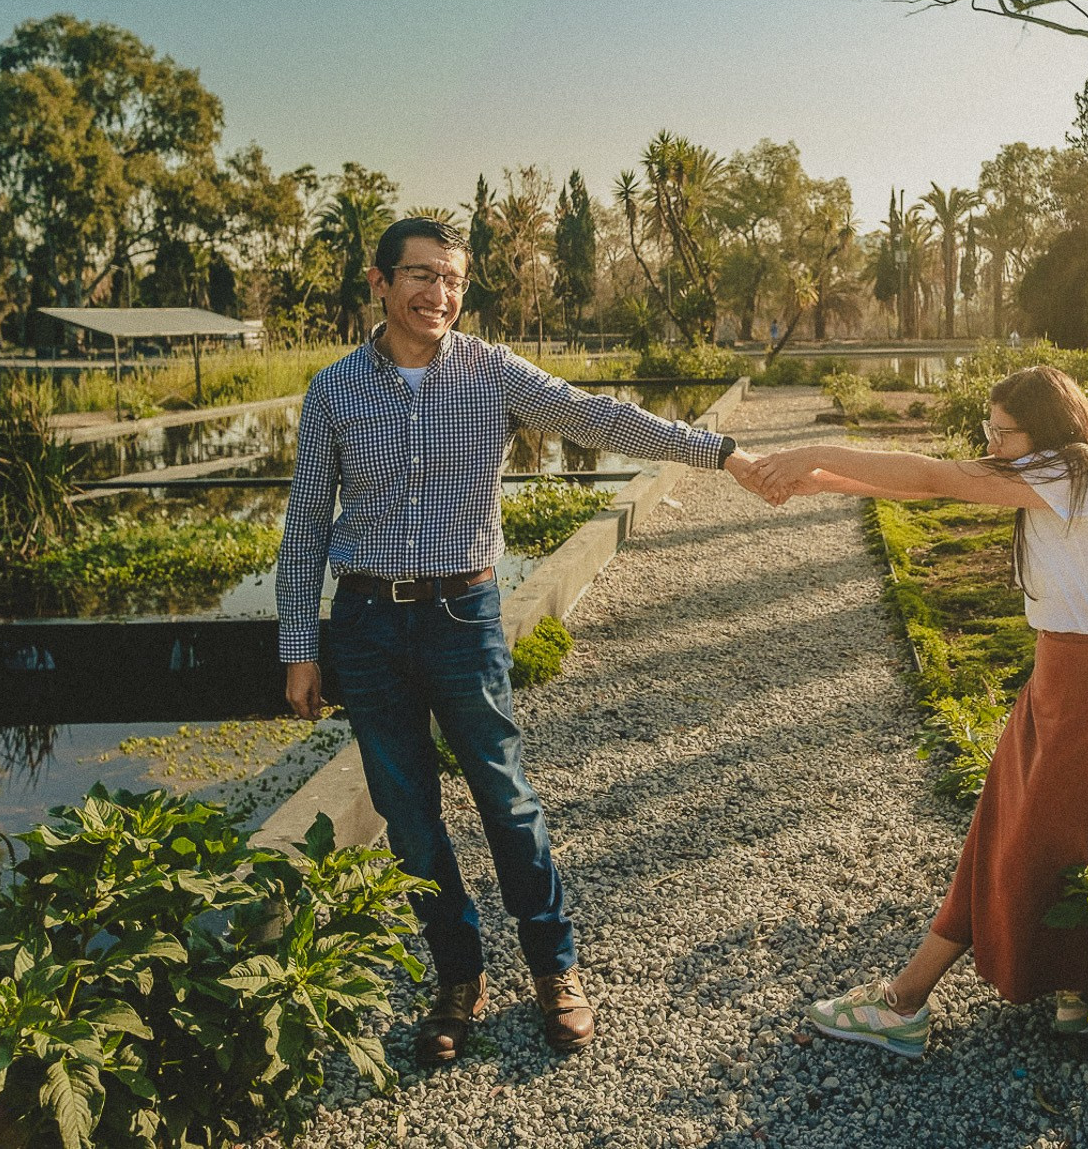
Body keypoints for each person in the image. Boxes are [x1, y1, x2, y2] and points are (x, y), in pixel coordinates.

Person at [277, 216, 766, 1064]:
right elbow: (304, 524)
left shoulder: (491, 372)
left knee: (506, 800)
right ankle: (458, 981)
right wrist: (298, 645)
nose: (440, 295)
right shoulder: (334, 390)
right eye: (422, 276)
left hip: (463, 620)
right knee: (411, 821)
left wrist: (717, 451)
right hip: (366, 627)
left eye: (454, 281)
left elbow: (598, 418)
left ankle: (555, 967)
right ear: (380, 283)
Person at [752, 365, 1088, 1057]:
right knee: (1065, 836)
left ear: (1046, 430)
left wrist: (811, 454)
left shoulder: (1069, 469)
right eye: (988, 432)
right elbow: (935, 477)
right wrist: (818, 482)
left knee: (1023, 840)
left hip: (1086, 687)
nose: (992, 445)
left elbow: (937, 477)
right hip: (1074, 677)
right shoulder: (1073, 469)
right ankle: (1073, 991)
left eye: (1003, 433)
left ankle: (904, 1000)